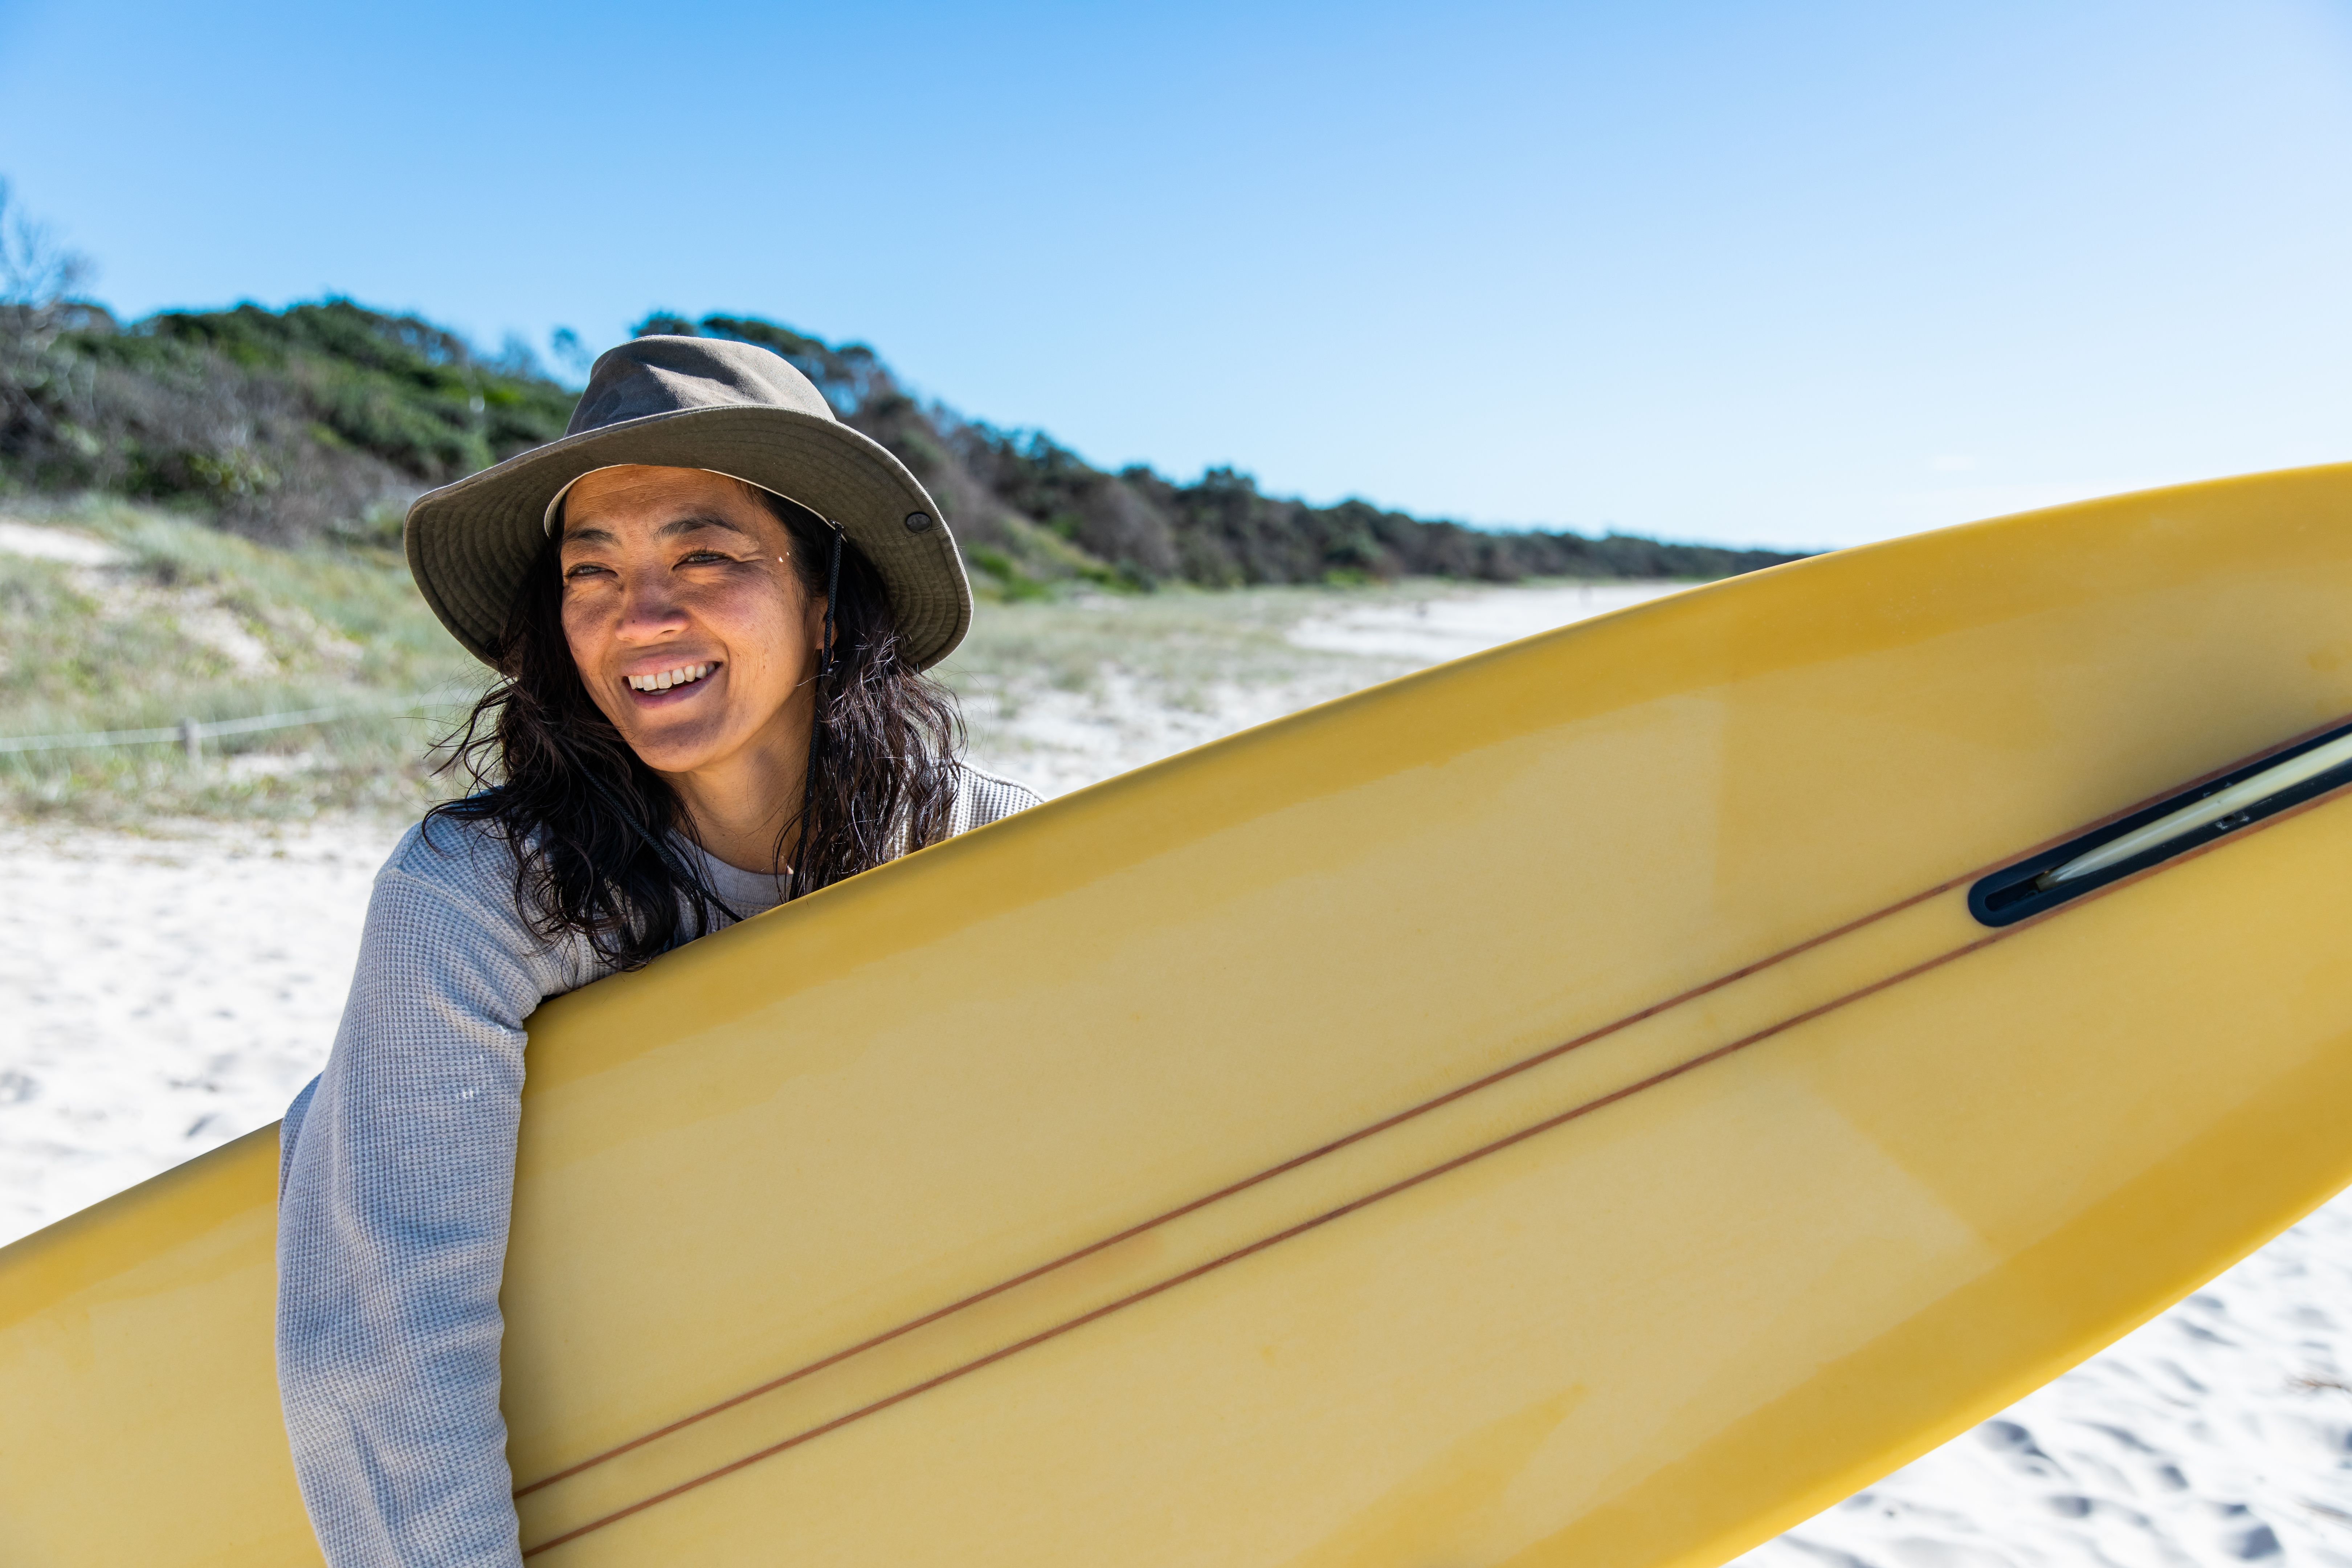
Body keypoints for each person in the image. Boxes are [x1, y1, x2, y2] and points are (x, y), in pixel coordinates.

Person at [273, 336, 1038, 1567]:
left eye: (707, 555)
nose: (643, 617)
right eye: (593, 574)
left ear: (826, 592)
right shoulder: (482, 899)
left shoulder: (982, 847)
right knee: (334, 1126)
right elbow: (384, 1336)